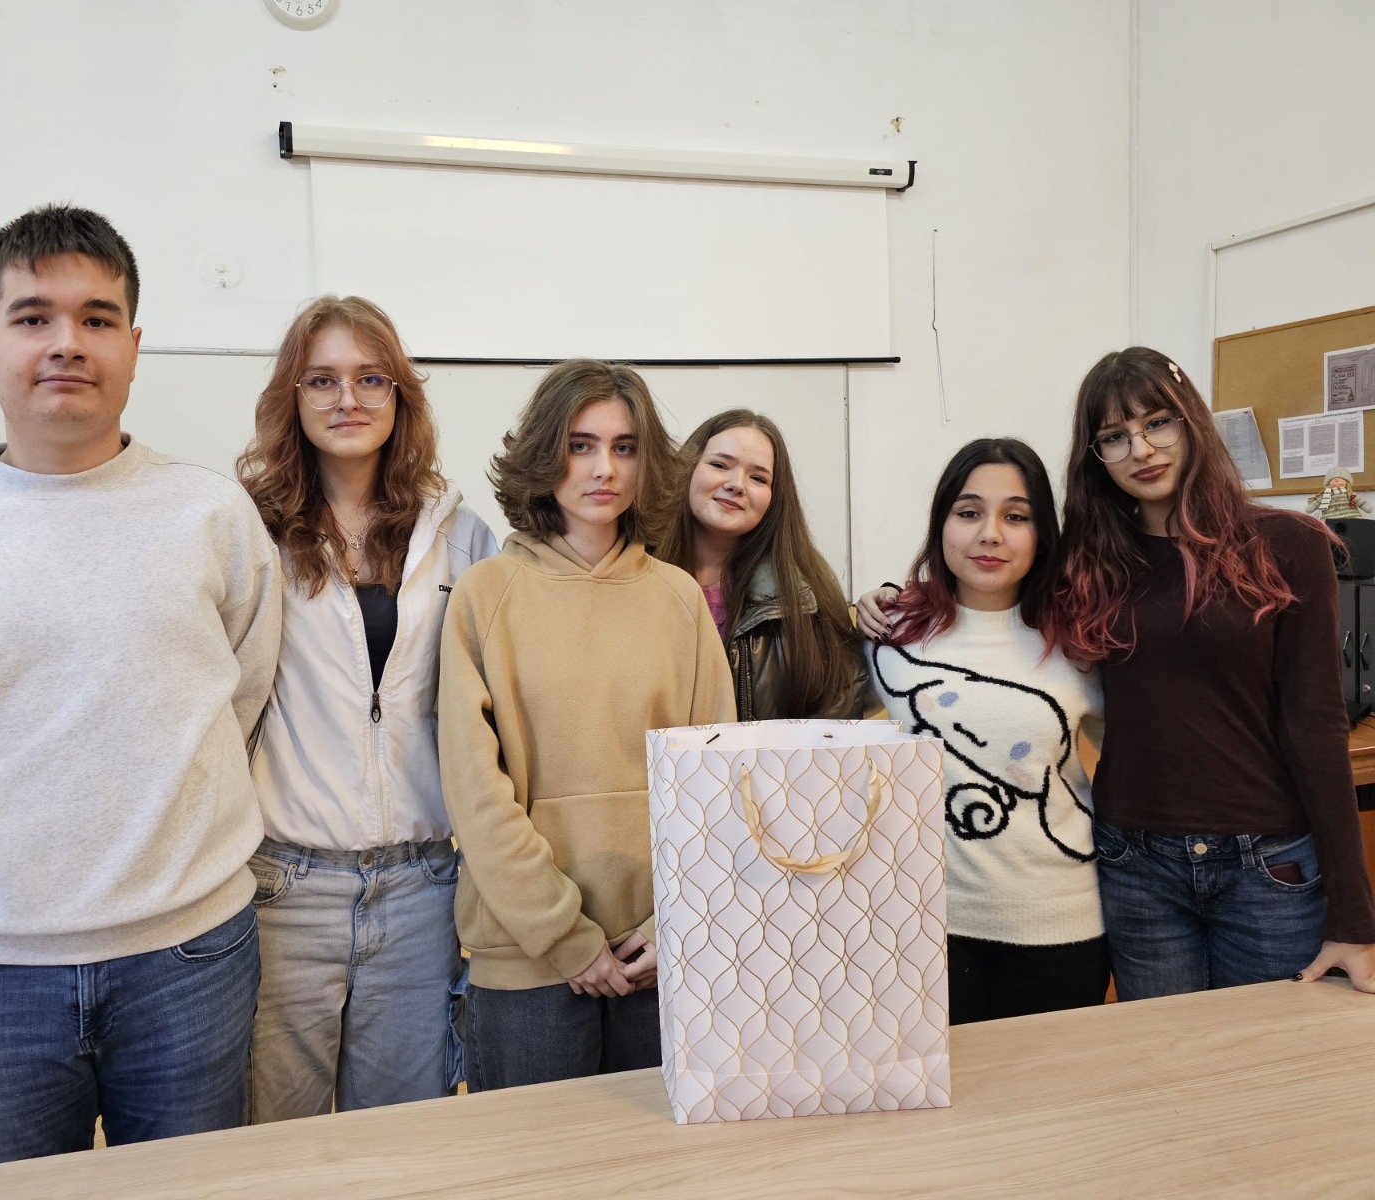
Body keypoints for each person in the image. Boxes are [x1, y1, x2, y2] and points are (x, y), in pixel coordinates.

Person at [0, 204, 283, 1184]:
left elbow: (238, 696)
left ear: (134, 346)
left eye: (96, 318)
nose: (66, 342)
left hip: (189, 957)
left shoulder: (212, 516)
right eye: (33, 317)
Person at [437, 359, 736, 1091]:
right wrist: (563, 936)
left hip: (661, 954)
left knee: (662, 1157)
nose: (605, 468)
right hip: (526, 956)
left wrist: (675, 926)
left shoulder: (678, 599)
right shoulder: (485, 594)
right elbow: (477, 795)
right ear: (545, 454)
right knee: (538, 1155)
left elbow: (718, 782)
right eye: (581, 445)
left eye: (624, 447)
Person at [236, 296, 496, 1120]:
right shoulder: (246, 530)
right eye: (322, 380)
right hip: (285, 887)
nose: (347, 398)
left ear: (399, 395)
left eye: (370, 378)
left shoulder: (461, 536)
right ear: (292, 396)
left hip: (421, 887)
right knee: (277, 1141)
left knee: (403, 1142)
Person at [1053, 348, 1375, 998]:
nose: (1141, 449)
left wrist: (1353, 915)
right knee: (1165, 1055)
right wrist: (886, 605)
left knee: (1264, 1058)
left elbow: (1316, 724)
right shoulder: (1088, 560)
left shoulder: (1290, 543)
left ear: (1191, 421)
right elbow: (982, 595)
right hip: (1135, 863)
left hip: (1269, 867)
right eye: (1114, 436)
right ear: (1096, 456)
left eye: (1157, 423)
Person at [863, 438, 1108, 1022]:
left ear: (1042, 532)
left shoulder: (1081, 638)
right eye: (969, 512)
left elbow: (1141, 760)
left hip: (1060, 925)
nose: (990, 534)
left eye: (1016, 517)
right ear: (941, 524)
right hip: (920, 928)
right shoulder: (890, 632)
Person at [656, 408, 871, 721]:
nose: (736, 484)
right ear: (687, 469)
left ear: (775, 498)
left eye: (758, 478)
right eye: (719, 465)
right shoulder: (629, 570)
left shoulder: (806, 595)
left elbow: (839, 706)